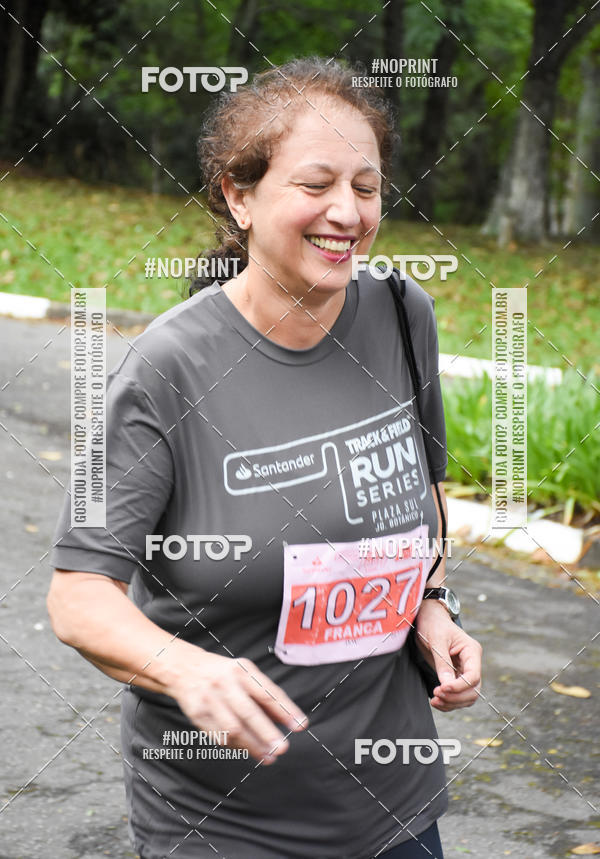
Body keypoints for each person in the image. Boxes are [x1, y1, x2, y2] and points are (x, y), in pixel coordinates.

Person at [47, 57, 482, 859]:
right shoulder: (167, 368)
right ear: (238, 196)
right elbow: (79, 595)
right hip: (227, 826)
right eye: (316, 184)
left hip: (396, 810)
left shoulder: (399, 310)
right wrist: (183, 668)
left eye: (366, 186)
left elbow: (420, 491)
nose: (346, 212)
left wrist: (434, 603)